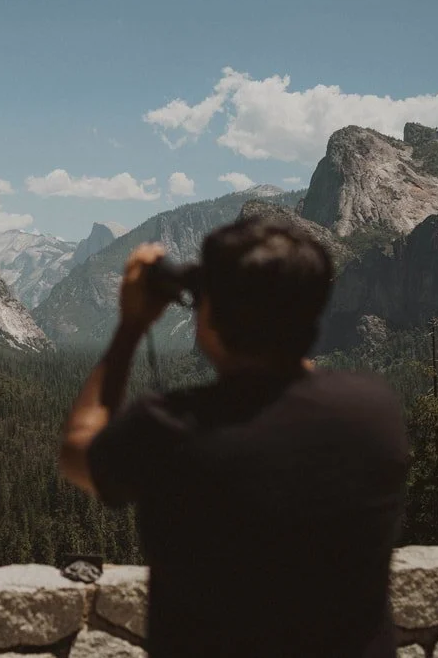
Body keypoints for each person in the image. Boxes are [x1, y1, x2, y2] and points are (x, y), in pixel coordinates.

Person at [58, 218, 410, 658]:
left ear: (211, 317)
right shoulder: (376, 411)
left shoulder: (172, 428)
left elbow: (77, 450)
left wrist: (131, 325)